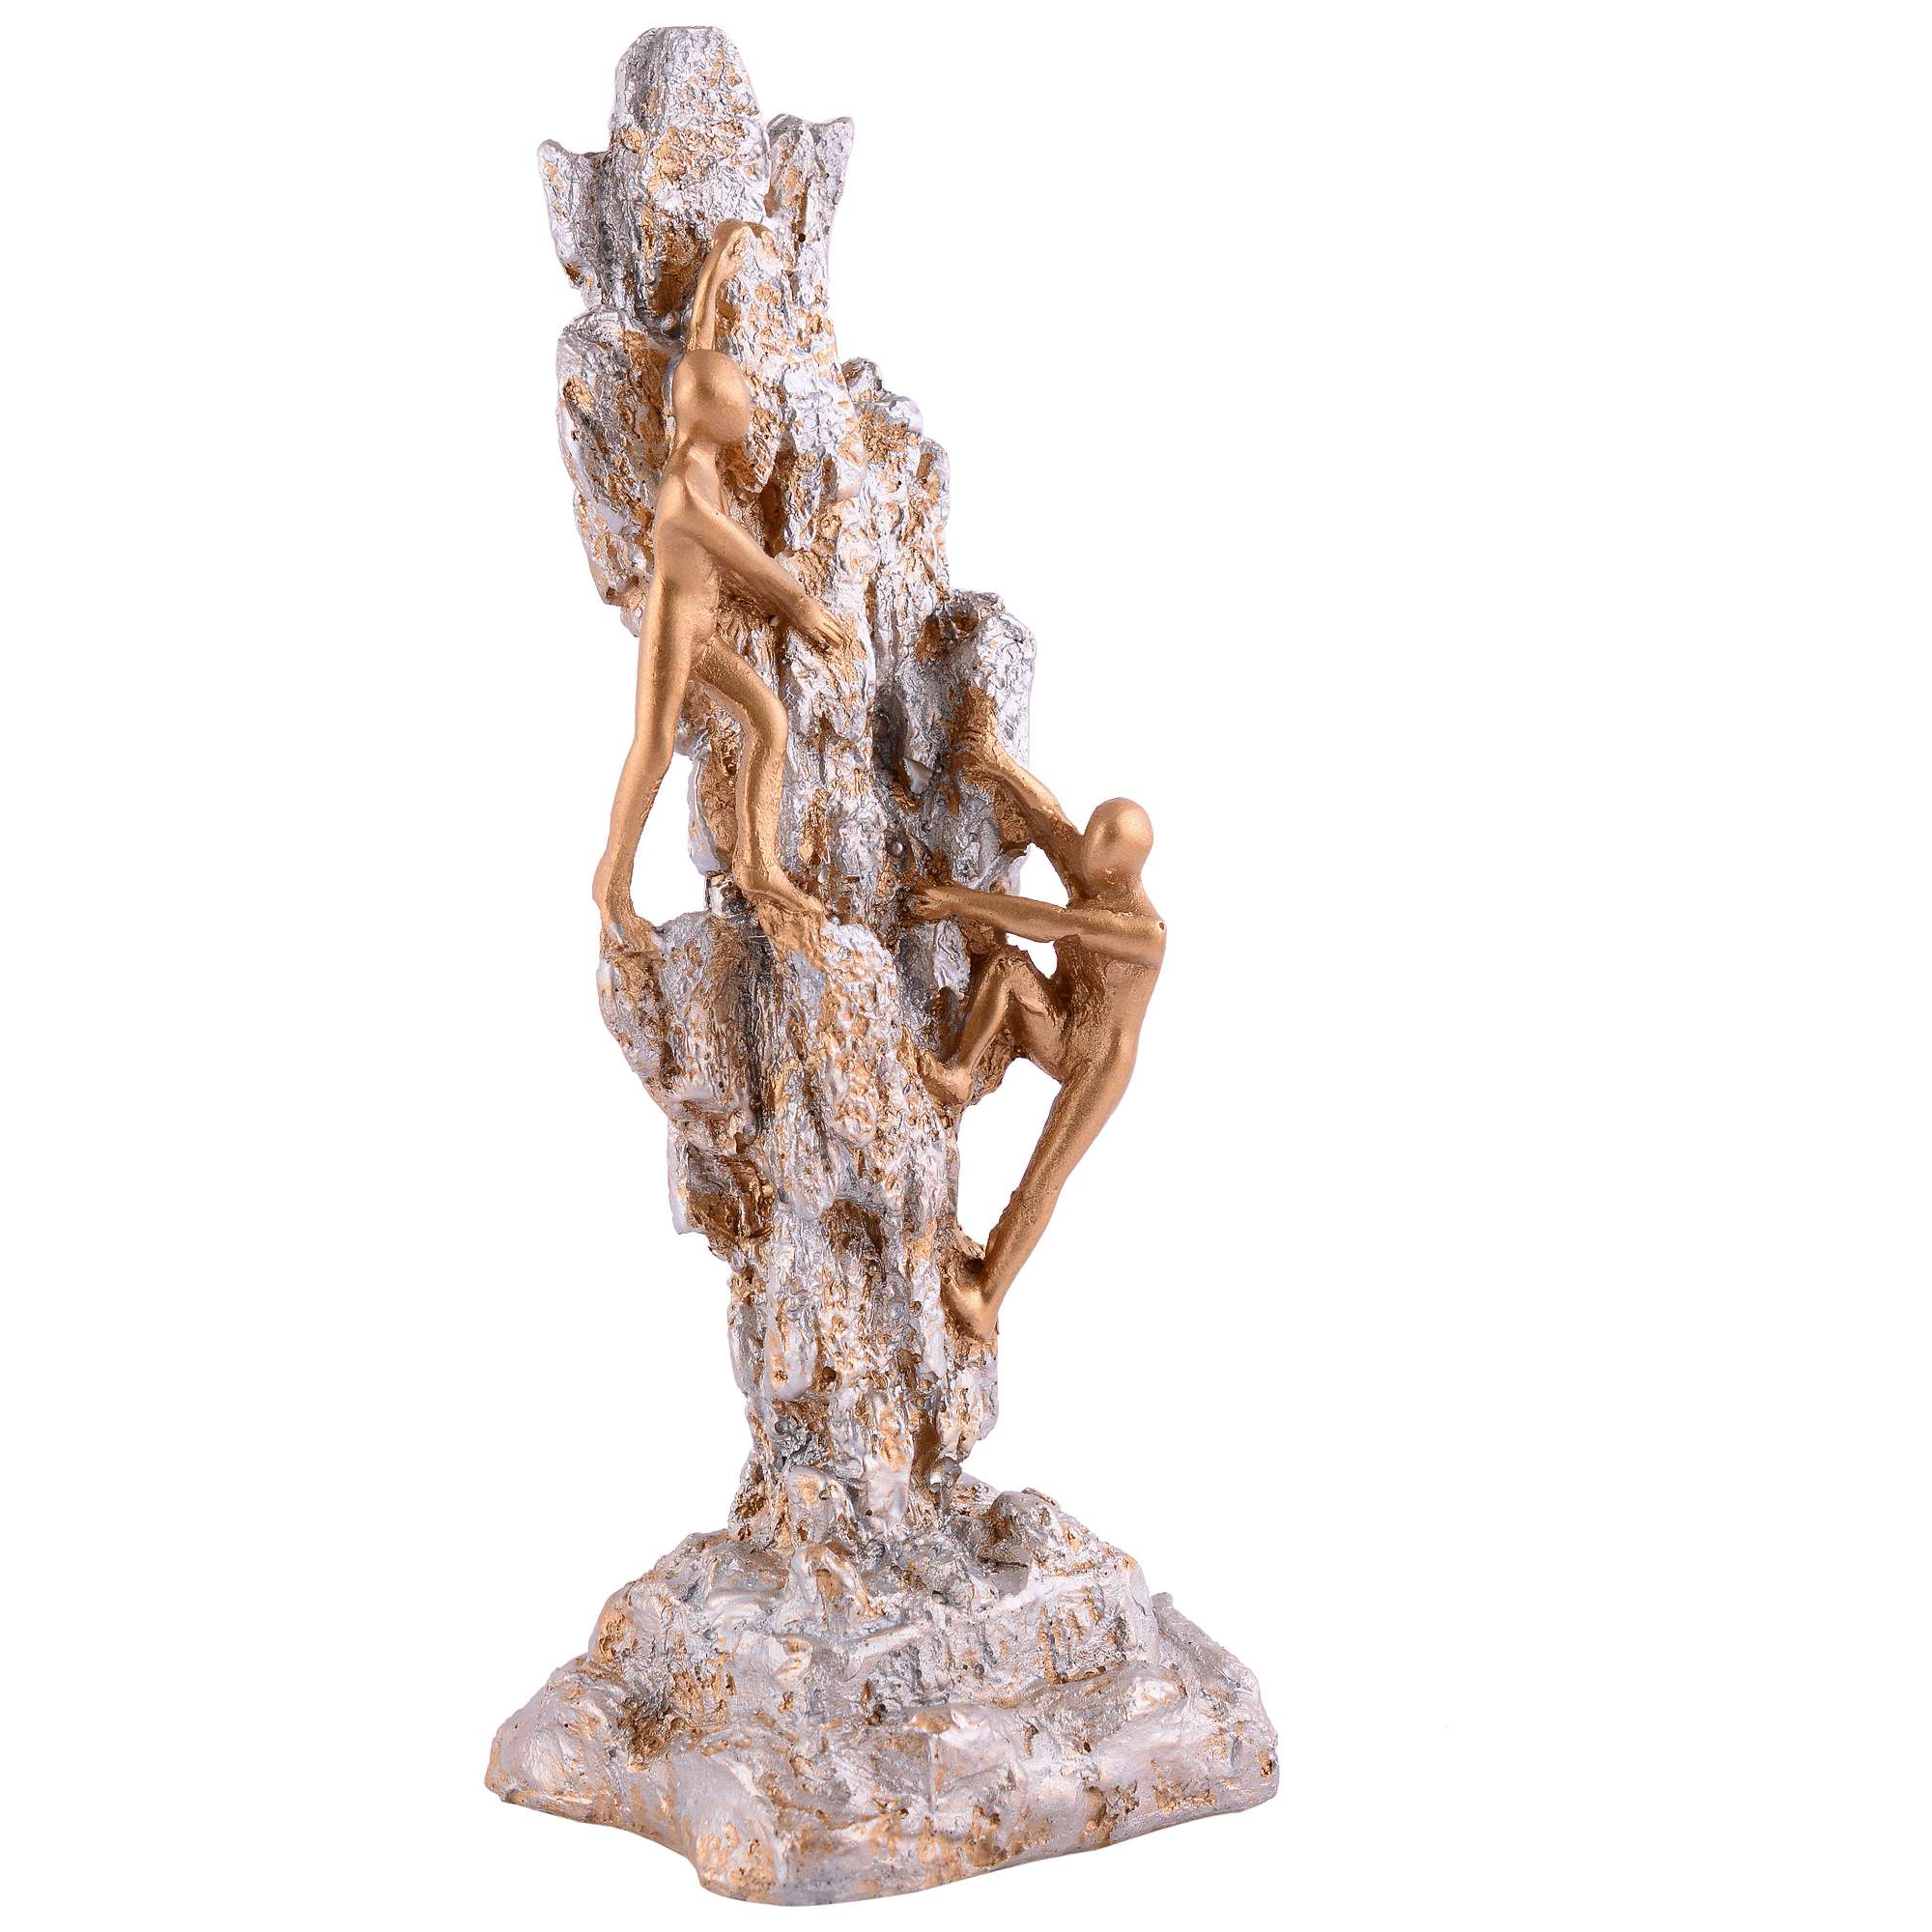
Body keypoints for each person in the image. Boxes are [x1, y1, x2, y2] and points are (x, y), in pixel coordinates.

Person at [591, 219, 852, 953]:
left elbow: (697, 344)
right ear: (710, 413)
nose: (747, 409)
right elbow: (746, 559)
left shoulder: (690, 438)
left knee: (768, 719)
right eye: (736, 401)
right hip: (675, 631)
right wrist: (800, 605)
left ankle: (759, 864)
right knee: (651, 747)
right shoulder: (684, 490)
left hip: (703, 628)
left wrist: (714, 270)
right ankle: (611, 882)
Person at [907, 706, 1165, 1341]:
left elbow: (1054, 923)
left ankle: (986, 1298)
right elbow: (1050, 822)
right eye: (1088, 849)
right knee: (1007, 968)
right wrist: (994, 760)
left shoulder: (1142, 931)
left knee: (1042, 1178)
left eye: (1099, 864)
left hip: (1097, 1064)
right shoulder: (1092, 867)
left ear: (1125, 872)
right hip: (1064, 1017)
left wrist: (957, 902)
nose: (1085, 866)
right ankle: (958, 1072)